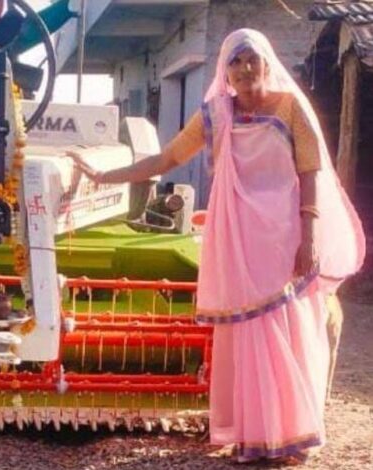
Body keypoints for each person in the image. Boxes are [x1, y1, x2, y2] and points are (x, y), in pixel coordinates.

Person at [69, 28, 365, 464]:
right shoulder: (215, 115)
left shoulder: (290, 107)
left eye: (251, 59)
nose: (244, 69)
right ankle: (254, 435)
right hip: (238, 239)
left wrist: (310, 235)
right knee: (247, 333)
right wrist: (102, 176)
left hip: (283, 238)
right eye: (235, 62)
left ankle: (292, 431)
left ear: (266, 62)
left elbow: (310, 172)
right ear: (225, 72)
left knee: (288, 331)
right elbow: (167, 159)